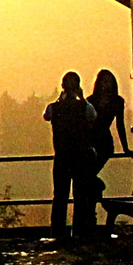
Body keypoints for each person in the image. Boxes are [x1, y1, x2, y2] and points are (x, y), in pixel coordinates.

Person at [44, 71, 96, 238]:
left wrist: (60, 100)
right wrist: (82, 99)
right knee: (80, 195)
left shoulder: (54, 108)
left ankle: (58, 232)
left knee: (60, 195)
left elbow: (46, 116)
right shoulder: (85, 107)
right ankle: (79, 231)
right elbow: (92, 118)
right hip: (80, 156)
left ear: (62, 86)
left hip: (61, 156)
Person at [81, 68, 129, 233]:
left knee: (87, 178)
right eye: (104, 81)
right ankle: (90, 211)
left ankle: (91, 208)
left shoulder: (117, 101)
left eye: (109, 81)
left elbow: (120, 126)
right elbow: (84, 126)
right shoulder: (90, 101)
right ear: (98, 84)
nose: (106, 84)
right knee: (87, 178)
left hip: (104, 144)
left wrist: (126, 148)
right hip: (90, 143)